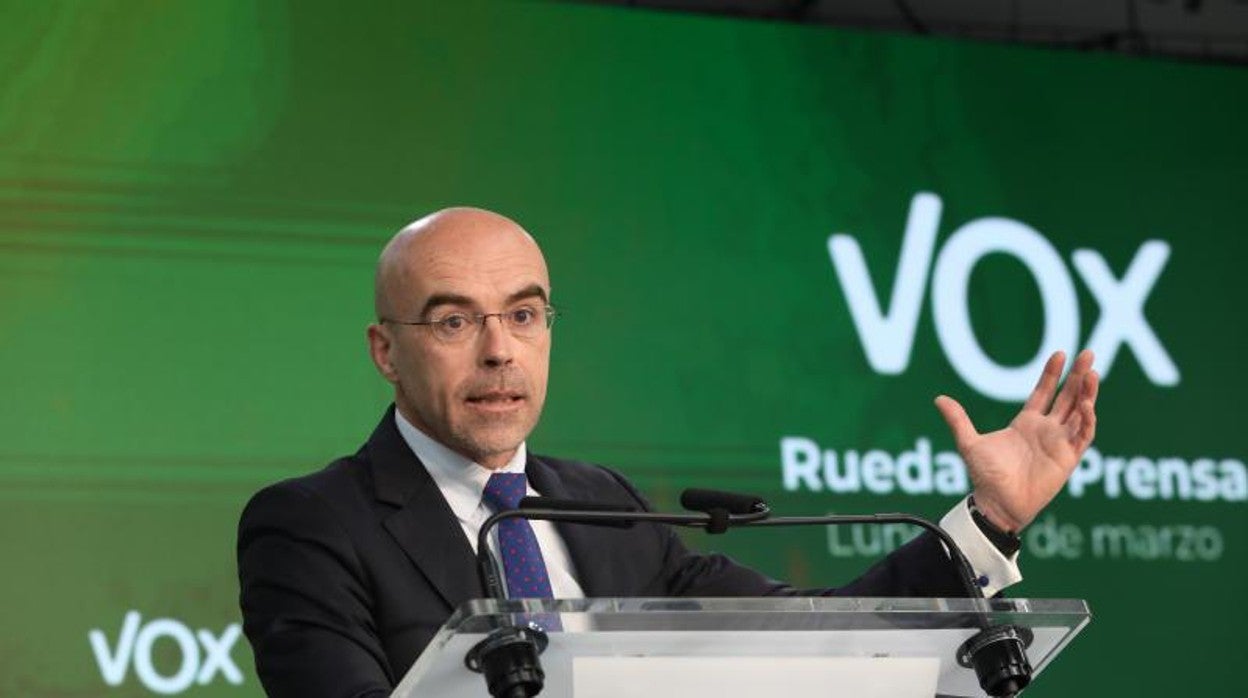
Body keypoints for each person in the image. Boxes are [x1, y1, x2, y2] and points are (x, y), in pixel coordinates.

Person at [237, 207, 1099, 698]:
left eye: (525, 315)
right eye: (456, 320)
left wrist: (990, 522)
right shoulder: (313, 524)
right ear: (387, 350)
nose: (499, 350)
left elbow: (809, 638)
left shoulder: (602, 507)